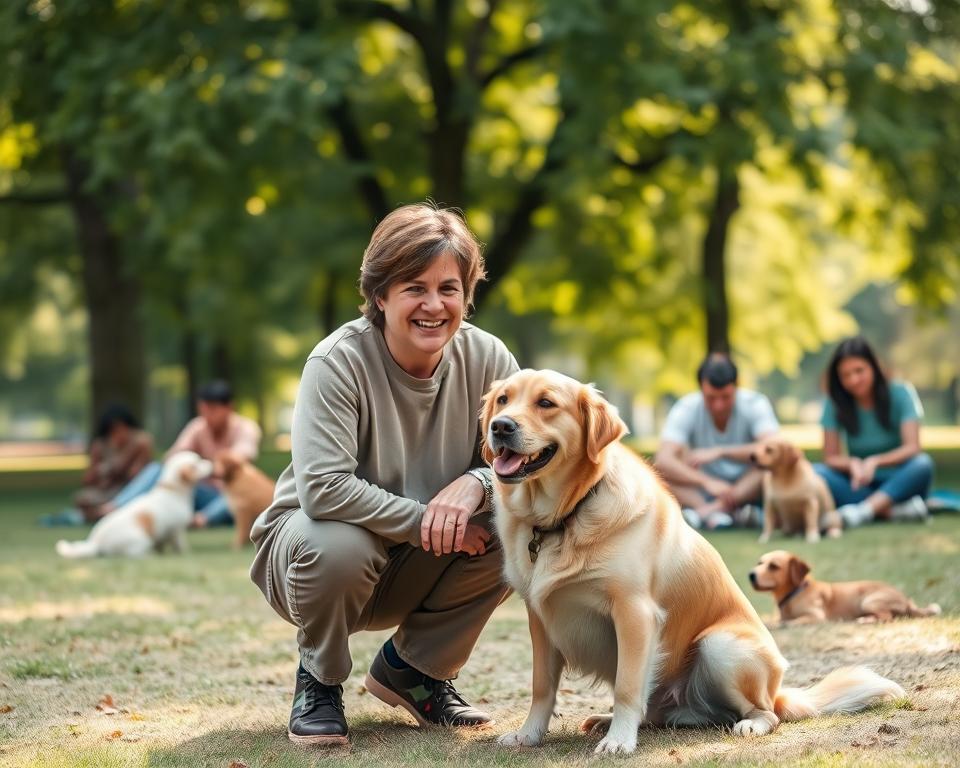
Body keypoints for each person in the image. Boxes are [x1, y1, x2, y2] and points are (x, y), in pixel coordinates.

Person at [249, 203, 518, 747]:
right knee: (339, 544)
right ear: (380, 295)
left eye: (449, 287)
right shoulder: (337, 362)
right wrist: (428, 520)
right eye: (414, 287)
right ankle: (319, 680)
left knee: (518, 532)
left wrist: (479, 483)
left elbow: (535, 459)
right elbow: (323, 489)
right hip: (315, 555)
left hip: (422, 560)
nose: (433, 304)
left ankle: (414, 672)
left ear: (467, 294)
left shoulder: (489, 359)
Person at [98, 381, 262, 526]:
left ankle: (200, 520)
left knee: (234, 496)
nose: (207, 416)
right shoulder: (198, 427)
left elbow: (237, 460)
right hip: (198, 488)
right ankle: (115, 507)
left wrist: (200, 467)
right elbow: (172, 457)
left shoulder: (245, 428)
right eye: (203, 411)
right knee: (157, 470)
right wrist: (187, 468)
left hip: (227, 493)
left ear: (228, 407)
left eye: (212, 410)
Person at [814, 336, 933, 527]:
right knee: (817, 472)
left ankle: (863, 511)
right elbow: (830, 457)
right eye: (845, 375)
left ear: (874, 367)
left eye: (859, 371)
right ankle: (892, 510)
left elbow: (913, 447)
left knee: (922, 464)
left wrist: (875, 461)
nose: (853, 380)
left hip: (900, 479)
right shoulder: (834, 402)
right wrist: (852, 464)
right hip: (859, 483)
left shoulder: (901, 392)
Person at [654, 352, 779, 530]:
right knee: (656, 475)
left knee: (769, 468)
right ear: (700, 389)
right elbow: (664, 460)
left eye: (725, 397)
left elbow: (774, 449)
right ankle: (729, 513)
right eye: (711, 398)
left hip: (747, 484)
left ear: (737, 387)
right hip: (701, 489)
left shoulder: (755, 403)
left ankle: (707, 513)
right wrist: (706, 482)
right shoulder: (686, 407)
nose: (718, 405)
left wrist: (721, 451)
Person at [43, 404, 154, 526]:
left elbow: (137, 476)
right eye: (114, 430)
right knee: (83, 498)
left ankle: (89, 515)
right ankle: (93, 514)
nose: (119, 433)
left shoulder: (140, 441)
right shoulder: (101, 445)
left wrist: (123, 457)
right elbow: (88, 479)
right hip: (107, 491)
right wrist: (103, 470)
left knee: (151, 474)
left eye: (122, 428)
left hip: (130, 490)